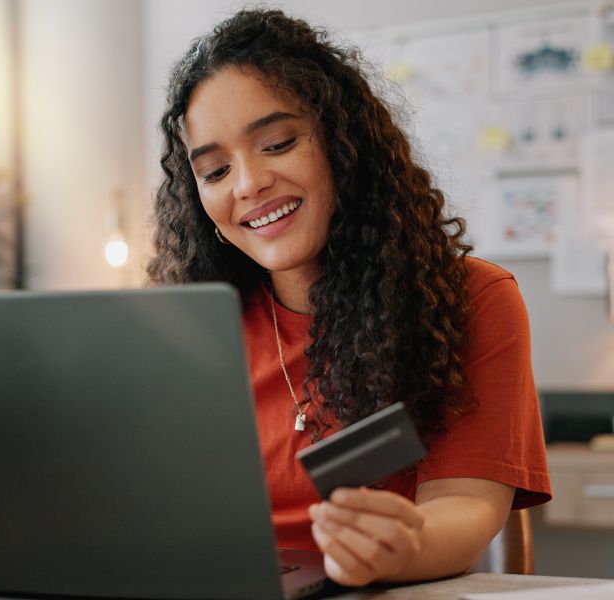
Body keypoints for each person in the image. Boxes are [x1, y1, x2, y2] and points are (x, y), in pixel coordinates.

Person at [146, 8, 551, 587]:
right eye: (213, 171)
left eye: (278, 143)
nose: (247, 184)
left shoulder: (473, 300)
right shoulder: (189, 326)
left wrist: (399, 548)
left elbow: (463, 503)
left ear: (343, 147)